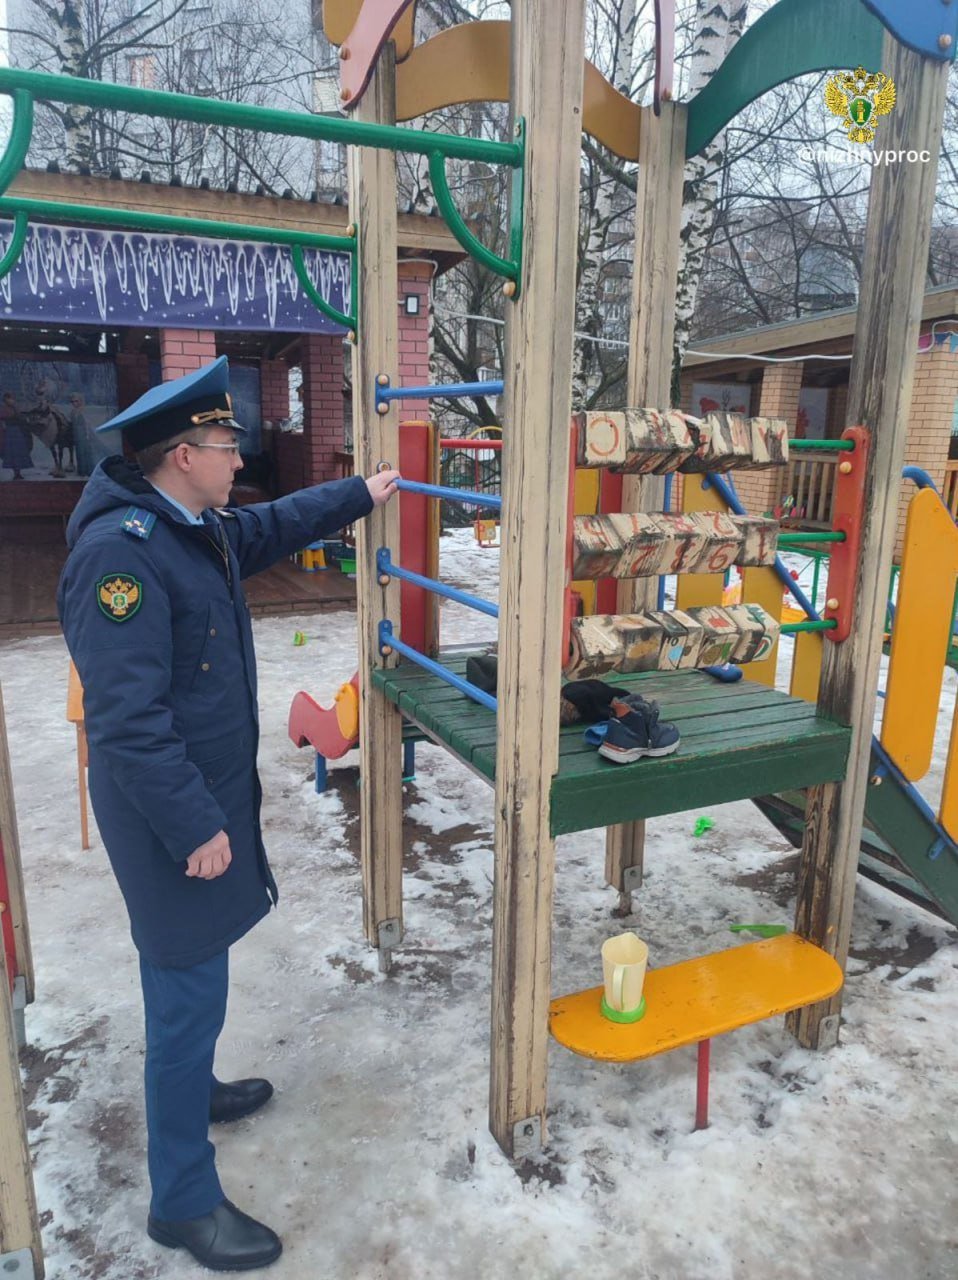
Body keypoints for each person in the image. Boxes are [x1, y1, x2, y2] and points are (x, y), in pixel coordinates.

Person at [57, 356, 399, 1271]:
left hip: (195, 802)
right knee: (184, 993)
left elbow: (276, 524)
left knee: (190, 988)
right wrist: (193, 828)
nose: (236, 454)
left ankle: (193, 1090)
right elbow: (127, 725)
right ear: (179, 457)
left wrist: (359, 492)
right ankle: (182, 1202)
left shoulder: (192, 527)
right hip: (167, 814)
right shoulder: (122, 557)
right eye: (224, 441)